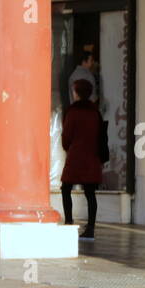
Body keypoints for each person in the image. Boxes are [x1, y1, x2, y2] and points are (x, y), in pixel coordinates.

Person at [60, 79, 105, 240]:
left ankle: (69, 222)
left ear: (77, 93)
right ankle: (90, 229)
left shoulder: (72, 112)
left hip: (76, 157)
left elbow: (66, 137)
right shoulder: (95, 112)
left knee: (66, 188)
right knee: (90, 193)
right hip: (92, 158)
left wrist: (70, 148)